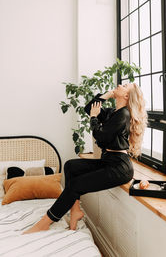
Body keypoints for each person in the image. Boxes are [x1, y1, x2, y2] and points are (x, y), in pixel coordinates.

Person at [23, 82, 147, 234]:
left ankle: (45, 222)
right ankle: (75, 211)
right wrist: (108, 94)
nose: (120, 84)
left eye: (124, 86)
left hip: (119, 168)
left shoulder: (124, 115)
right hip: (109, 161)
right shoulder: (113, 112)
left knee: (76, 185)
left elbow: (101, 137)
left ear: (126, 96)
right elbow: (89, 108)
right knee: (70, 166)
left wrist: (95, 118)